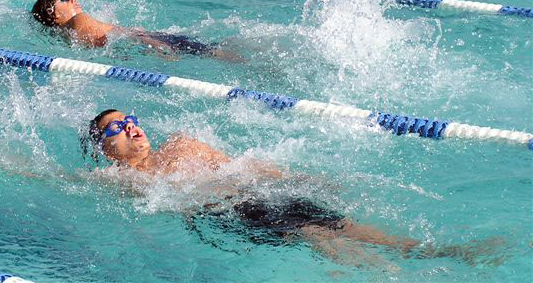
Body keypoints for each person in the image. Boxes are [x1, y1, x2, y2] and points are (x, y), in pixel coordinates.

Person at [82, 109, 503, 266]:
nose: (130, 126)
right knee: (317, 236)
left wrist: (299, 179)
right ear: (105, 150)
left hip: (259, 194)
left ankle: (435, 254)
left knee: (343, 226)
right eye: (116, 128)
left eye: (130, 119)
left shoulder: (182, 144)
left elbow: (241, 166)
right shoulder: (119, 179)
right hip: (229, 212)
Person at [31, 0, 237, 59]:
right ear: (53, 13)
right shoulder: (79, 20)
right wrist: (155, 44)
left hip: (145, 45)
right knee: (221, 53)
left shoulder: (66, 35)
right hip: (155, 42)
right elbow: (111, 39)